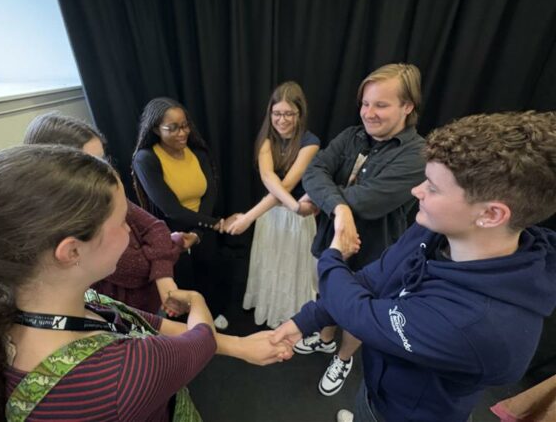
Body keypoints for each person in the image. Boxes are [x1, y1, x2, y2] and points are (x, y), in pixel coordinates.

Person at [0, 145, 292, 421]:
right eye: (120, 223)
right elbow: (199, 341)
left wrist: (239, 345)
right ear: (71, 251)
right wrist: (198, 302)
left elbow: (146, 323)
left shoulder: (23, 306)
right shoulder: (120, 374)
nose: (130, 230)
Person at [273, 111, 556, 422]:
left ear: (490, 215)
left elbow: (360, 314)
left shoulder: (481, 325)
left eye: (433, 188)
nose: (416, 191)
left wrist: (333, 255)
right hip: (377, 389)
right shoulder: (437, 229)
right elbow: (373, 278)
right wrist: (306, 320)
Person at [293, 63, 426, 397]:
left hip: (374, 254)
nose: (368, 113)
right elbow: (314, 170)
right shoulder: (351, 135)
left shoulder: (417, 155)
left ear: (407, 107)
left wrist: (325, 197)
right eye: (365, 103)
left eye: (380, 105)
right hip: (330, 239)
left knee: (357, 312)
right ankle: (325, 339)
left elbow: (367, 201)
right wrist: (339, 208)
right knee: (327, 292)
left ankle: (343, 357)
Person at [24, 111, 190, 315]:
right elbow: (137, 270)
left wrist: (162, 274)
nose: (107, 171)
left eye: (103, 160)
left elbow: (155, 227)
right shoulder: (73, 226)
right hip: (125, 316)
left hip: (152, 301)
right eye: (92, 165)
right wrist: (174, 244)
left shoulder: (107, 193)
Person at [226, 81, 320, 328]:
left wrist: (249, 217)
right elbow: (269, 179)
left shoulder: (310, 142)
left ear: (300, 113)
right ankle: (269, 308)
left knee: (292, 267)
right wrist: (293, 206)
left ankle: (293, 318)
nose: (282, 120)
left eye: (289, 113)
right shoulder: (267, 141)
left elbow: (286, 185)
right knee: (270, 263)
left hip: (296, 219)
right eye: (277, 113)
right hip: (271, 214)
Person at [132, 98, 230, 329]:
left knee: (210, 268)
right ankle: (189, 326)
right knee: (183, 279)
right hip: (170, 229)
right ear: (156, 129)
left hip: (202, 224)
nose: (182, 132)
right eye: (173, 128)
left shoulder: (198, 153)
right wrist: (214, 224)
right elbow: (170, 209)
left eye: (185, 125)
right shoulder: (146, 159)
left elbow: (210, 195)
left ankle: (213, 311)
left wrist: (200, 231)